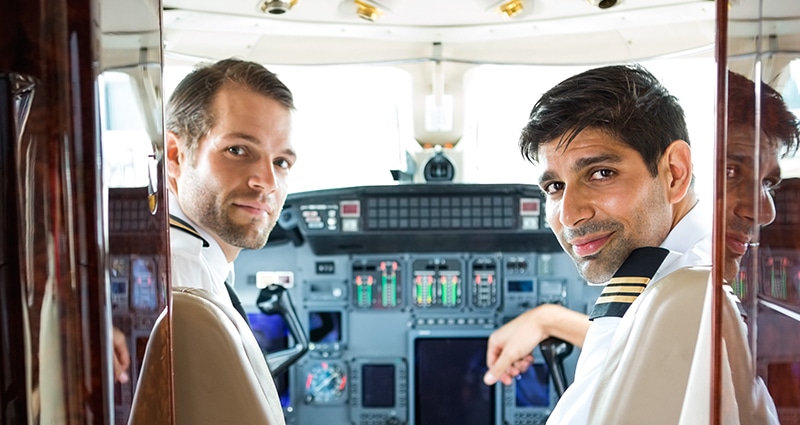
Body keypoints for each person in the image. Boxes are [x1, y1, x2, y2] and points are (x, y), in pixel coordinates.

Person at [483, 65, 798, 423]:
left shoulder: (687, 294)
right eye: (555, 187)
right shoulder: (665, 272)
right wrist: (549, 319)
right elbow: (644, 343)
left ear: (674, 173)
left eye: (601, 173)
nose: (569, 215)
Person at [165, 58, 296, 320]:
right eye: (237, 150)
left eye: (281, 162)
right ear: (175, 155)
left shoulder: (203, 261)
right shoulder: (184, 276)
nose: (267, 182)